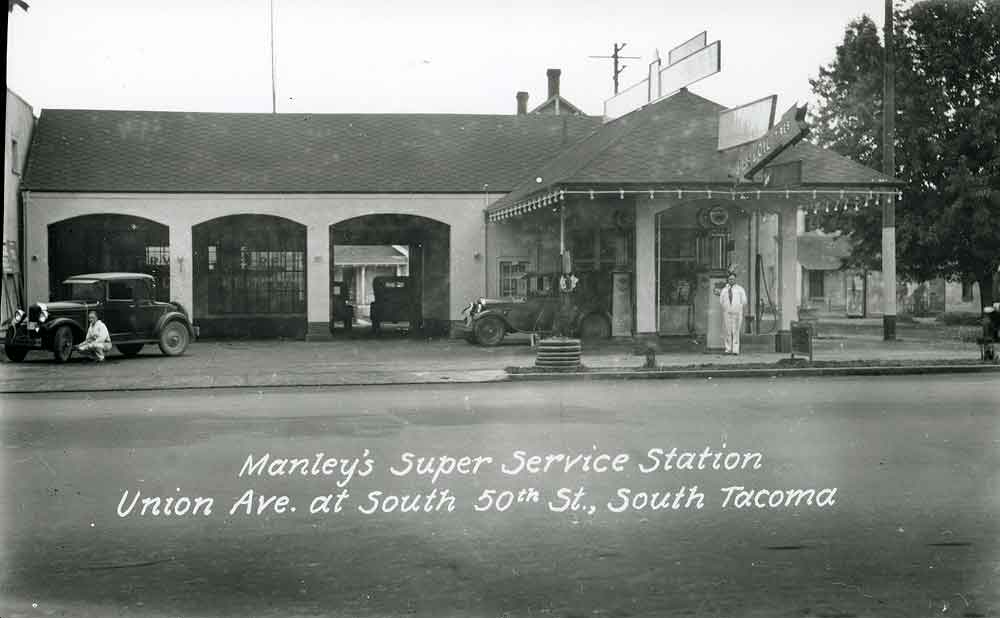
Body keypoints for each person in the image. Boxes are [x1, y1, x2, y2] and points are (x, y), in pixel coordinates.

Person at [719, 271, 748, 355]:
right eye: (730, 279)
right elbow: (721, 301)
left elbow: (744, 301)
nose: (731, 280)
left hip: (737, 313)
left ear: (735, 280)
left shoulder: (740, 289)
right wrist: (726, 307)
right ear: (728, 280)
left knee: (736, 331)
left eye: (733, 279)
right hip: (727, 313)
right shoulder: (724, 290)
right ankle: (728, 349)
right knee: (727, 331)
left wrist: (738, 307)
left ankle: (735, 350)